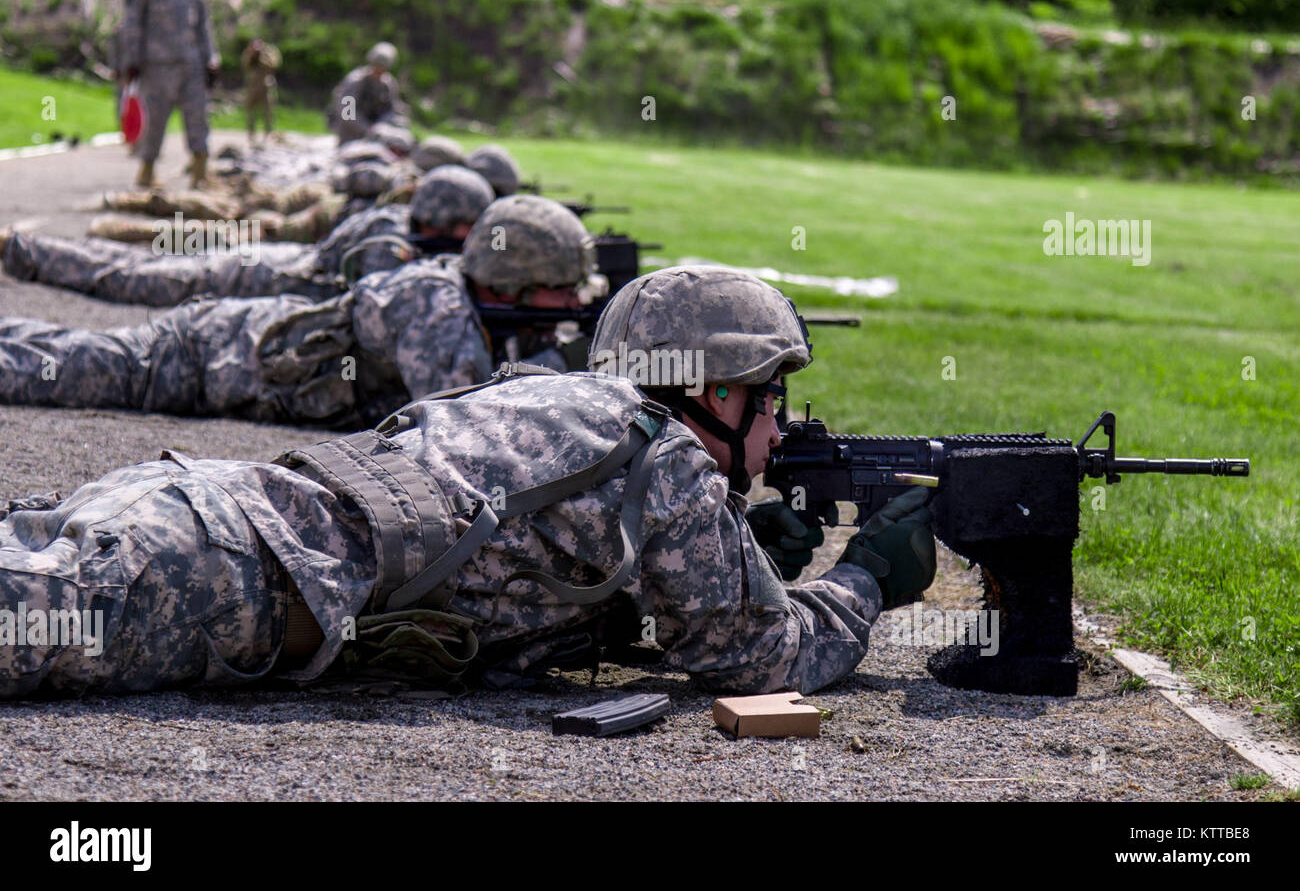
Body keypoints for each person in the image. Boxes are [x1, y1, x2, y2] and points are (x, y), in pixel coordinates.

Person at [0, 264, 937, 698]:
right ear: (711, 389)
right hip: (222, 572)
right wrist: (866, 581)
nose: (780, 425)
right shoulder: (671, 462)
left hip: (206, 517)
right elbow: (760, 660)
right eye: (769, 398)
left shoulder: (558, 397)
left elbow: (533, 574)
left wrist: (740, 555)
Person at [0, 195, 590, 428]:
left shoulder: (473, 307)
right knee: (62, 366)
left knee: (65, 349)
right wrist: (559, 362)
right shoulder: (437, 306)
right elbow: (464, 419)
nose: (573, 302)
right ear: (515, 282)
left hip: (229, 359)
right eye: (562, 289)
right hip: (208, 356)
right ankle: (21, 250)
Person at [1, 166, 495, 307]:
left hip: (271, 262)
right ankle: (21, 247)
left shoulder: (393, 226)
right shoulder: (389, 241)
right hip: (255, 272)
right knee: (133, 275)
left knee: (159, 259)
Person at [120, 0, 221, 189]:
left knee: (198, 116)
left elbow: (202, 24)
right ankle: (147, 170)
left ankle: (199, 171)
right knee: (155, 120)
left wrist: (211, 58)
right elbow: (132, 23)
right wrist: (132, 60)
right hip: (157, 64)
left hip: (192, 62)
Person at [328, 43, 409, 145]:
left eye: (383, 66)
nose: (379, 69)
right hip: (352, 131)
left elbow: (393, 110)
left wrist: (380, 126)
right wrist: (367, 128)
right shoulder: (355, 80)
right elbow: (346, 113)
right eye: (377, 65)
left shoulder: (388, 84)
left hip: (377, 129)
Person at [241, 39, 281, 146]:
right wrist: (251, 54)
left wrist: (262, 55)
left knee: (268, 113)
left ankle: (267, 135)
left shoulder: (269, 53)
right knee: (251, 113)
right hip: (253, 87)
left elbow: (273, 64)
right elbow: (245, 65)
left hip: (266, 87)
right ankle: (251, 136)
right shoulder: (249, 54)